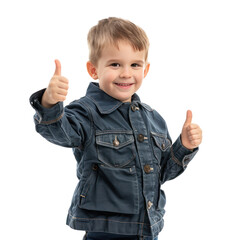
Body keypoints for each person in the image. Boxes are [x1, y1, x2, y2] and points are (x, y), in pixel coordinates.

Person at [30, 17, 202, 240]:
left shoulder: (153, 119)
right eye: (115, 64)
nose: (126, 73)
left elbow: (162, 174)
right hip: (106, 232)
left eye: (135, 64)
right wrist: (49, 103)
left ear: (146, 69)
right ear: (94, 70)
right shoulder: (87, 111)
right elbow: (60, 132)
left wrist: (184, 147)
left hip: (148, 229)